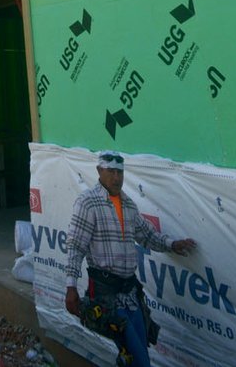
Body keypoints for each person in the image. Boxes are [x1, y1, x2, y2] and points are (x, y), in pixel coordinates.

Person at [65, 150, 196, 367]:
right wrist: (70, 287)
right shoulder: (87, 203)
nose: (116, 178)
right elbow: (75, 246)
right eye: (111, 172)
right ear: (99, 171)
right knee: (137, 357)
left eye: (120, 172)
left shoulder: (128, 206)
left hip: (130, 293)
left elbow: (148, 235)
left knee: (138, 348)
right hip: (105, 293)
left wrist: (173, 244)